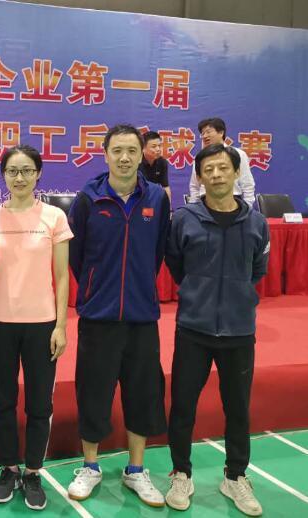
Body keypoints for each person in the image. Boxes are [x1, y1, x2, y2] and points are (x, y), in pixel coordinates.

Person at [66, 124, 170, 508]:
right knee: (93, 391)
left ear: (142, 155)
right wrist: (97, 288)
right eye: (117, 151)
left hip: (142, 316)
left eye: (132, 151)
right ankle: (90, 466)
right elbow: (76, 256)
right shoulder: (88, 199)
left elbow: (158, 252)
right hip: (99, 315)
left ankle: (136, 470)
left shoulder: (156, 198)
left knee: (142, 393)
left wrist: (138, 286)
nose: (124, 158)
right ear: (105, 154)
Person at [164, 144, 269, 516]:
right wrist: (199, 292)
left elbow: (258, 270)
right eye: (208, 169)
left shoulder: (256, 222)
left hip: (239, 331)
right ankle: (181, 473)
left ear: (237, 172)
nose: (216, 175)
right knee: (183, 407)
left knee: (238, 408)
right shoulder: (184, 219)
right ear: (200, 176)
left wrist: (236, 295)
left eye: (223, 168)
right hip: (193, 328)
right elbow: (176, 263)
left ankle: (235, 476)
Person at [0, 145, 72, 511]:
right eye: (12, 171)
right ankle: (8, 467)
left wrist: (61, 325)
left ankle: (33, 471)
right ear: (3, 175)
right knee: (2, 401)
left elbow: (62, 276)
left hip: (41, 325)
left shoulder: (54, 217)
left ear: (38, 174)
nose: (19, 178)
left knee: (39, 403)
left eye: (27, 170)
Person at [188, 117, 255, 206]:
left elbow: (247, 184)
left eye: (208, 132)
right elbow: (194, 186)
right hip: (205, 203)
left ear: (221, 133)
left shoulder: (238, 154)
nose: (204, 136)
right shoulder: (200, 157)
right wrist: (194, 207)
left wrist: (247, 207)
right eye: (202, 133)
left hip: (233, 202)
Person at [139, 130, 171, 202]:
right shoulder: (136, 163)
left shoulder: (162, 162)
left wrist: (168, 206)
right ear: (143, 148)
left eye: (159, 146)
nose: (158, 149)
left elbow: (165, 187)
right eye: (154, 146)